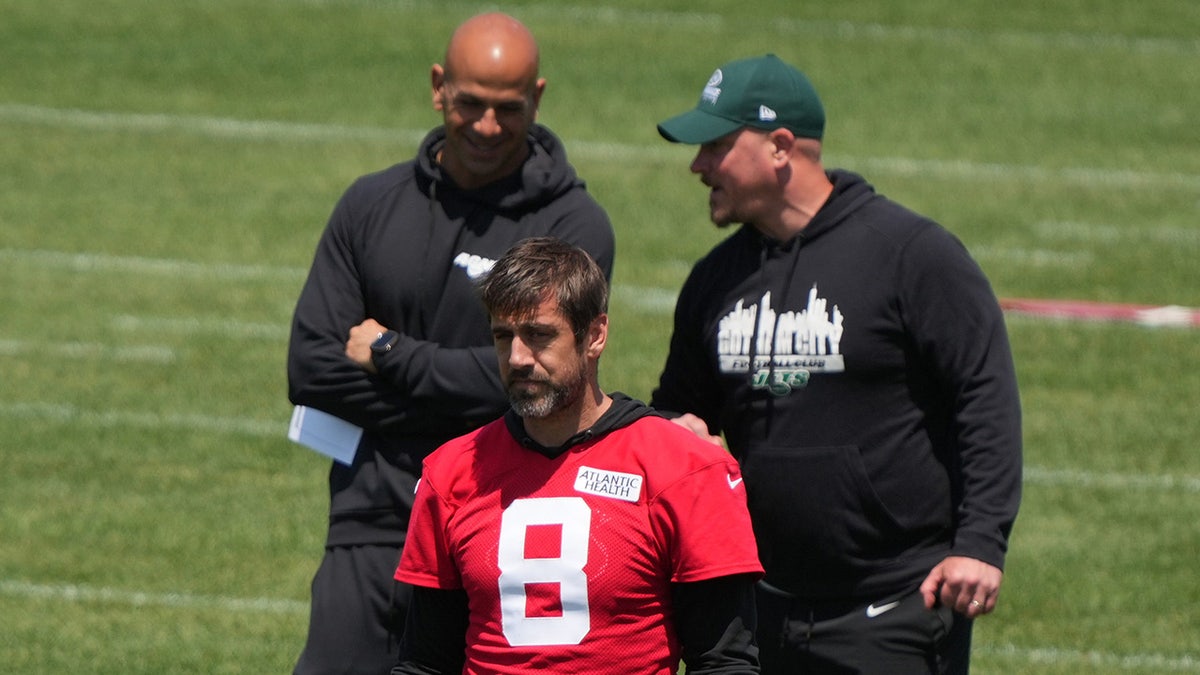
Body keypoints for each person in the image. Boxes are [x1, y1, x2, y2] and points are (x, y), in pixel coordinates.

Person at [649, 54, 1022, 674]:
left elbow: (984, 397)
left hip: (895, 608)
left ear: (781, 147)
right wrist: (675, 433)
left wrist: (981, 542)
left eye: (715, 145)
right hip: (756, 608)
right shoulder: (714, 280)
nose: (698, 165)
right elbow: (678, 406)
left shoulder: (911, 255)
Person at [285, 13, 615, 674]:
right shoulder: (371, 203)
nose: (488, 126)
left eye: (507, 108)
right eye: (470, 103)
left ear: (538, 99)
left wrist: (391, 356)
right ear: (439, 88)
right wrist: (469, 405)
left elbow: (546, 377)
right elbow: (312, 367)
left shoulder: (570, 224)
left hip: (497, 521)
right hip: (371, 519)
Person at [390, 237, 764, 675]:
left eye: (538, 335)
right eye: (502, 336)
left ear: (595, 335)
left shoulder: (685, 470)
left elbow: (724, 664)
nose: (517, 357)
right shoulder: (452, 473)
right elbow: (425, 662)